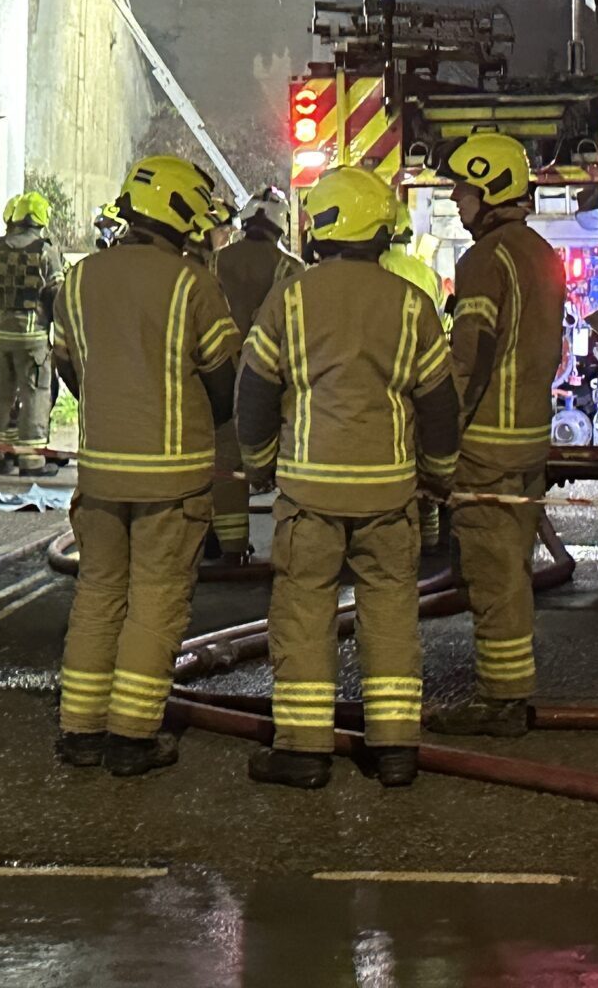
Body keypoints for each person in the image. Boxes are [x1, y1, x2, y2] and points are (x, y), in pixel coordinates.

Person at [235, 168, 460, 790]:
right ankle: (395, 748)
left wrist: (257, 463)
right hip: (390, 492)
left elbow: (254, 390)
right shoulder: (411, 304)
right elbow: (440, 406)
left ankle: (305, 751)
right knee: (390, 610)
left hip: (309, 493)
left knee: (305, 609)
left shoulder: (291, 298)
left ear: (324, 225)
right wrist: (438, 475)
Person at [50, 155, 241, 777]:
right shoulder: (194, 285)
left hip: (99, 474)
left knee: (99, 594)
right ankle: (132, 736)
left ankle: (80, 730)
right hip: (173, 477)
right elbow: (223, 386)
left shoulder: (77, 281)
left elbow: (69, 369)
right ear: (181, 216)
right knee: (156, 600)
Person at [425, 131, 565, 738]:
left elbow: (469, 359)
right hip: (529, 440)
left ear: (489, 190)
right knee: (512, 567)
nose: (456, 199)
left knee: (494, 573)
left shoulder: (484, 259)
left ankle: (502, 698)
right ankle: (510, 689)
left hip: (485, 444)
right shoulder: (538, 253)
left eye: (463, 187)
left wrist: (437, 441)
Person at [210, 188, 301, 561]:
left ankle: (229, 547)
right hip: (271, 381)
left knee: (225, 466)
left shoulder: (215, 262)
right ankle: (294, 547)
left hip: (221, 374)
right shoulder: (290, 269)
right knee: (286, 463)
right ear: (281, 225)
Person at [0, 192, 62, 477]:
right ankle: (32, 460)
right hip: (32, 338)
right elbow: (56, 293)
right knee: (36, 395)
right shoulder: (45, 251)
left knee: (1, 394)